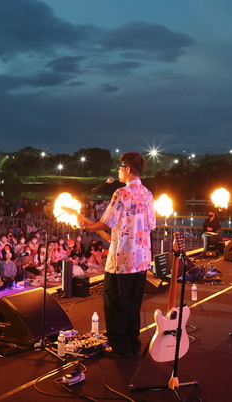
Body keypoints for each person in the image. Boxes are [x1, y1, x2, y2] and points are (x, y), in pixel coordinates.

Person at [78, 152, 155, 358]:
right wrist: (90, 225)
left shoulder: (121, 193)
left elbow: (106, 222)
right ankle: (132, 344)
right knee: (132, 303)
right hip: (141, 260)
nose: (118, 171)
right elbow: (149, 225)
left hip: (122, 260)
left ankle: (120, 347)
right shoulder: (148, 194)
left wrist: (85, 224)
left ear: (128, 169)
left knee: (114, 303)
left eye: (120, 167)